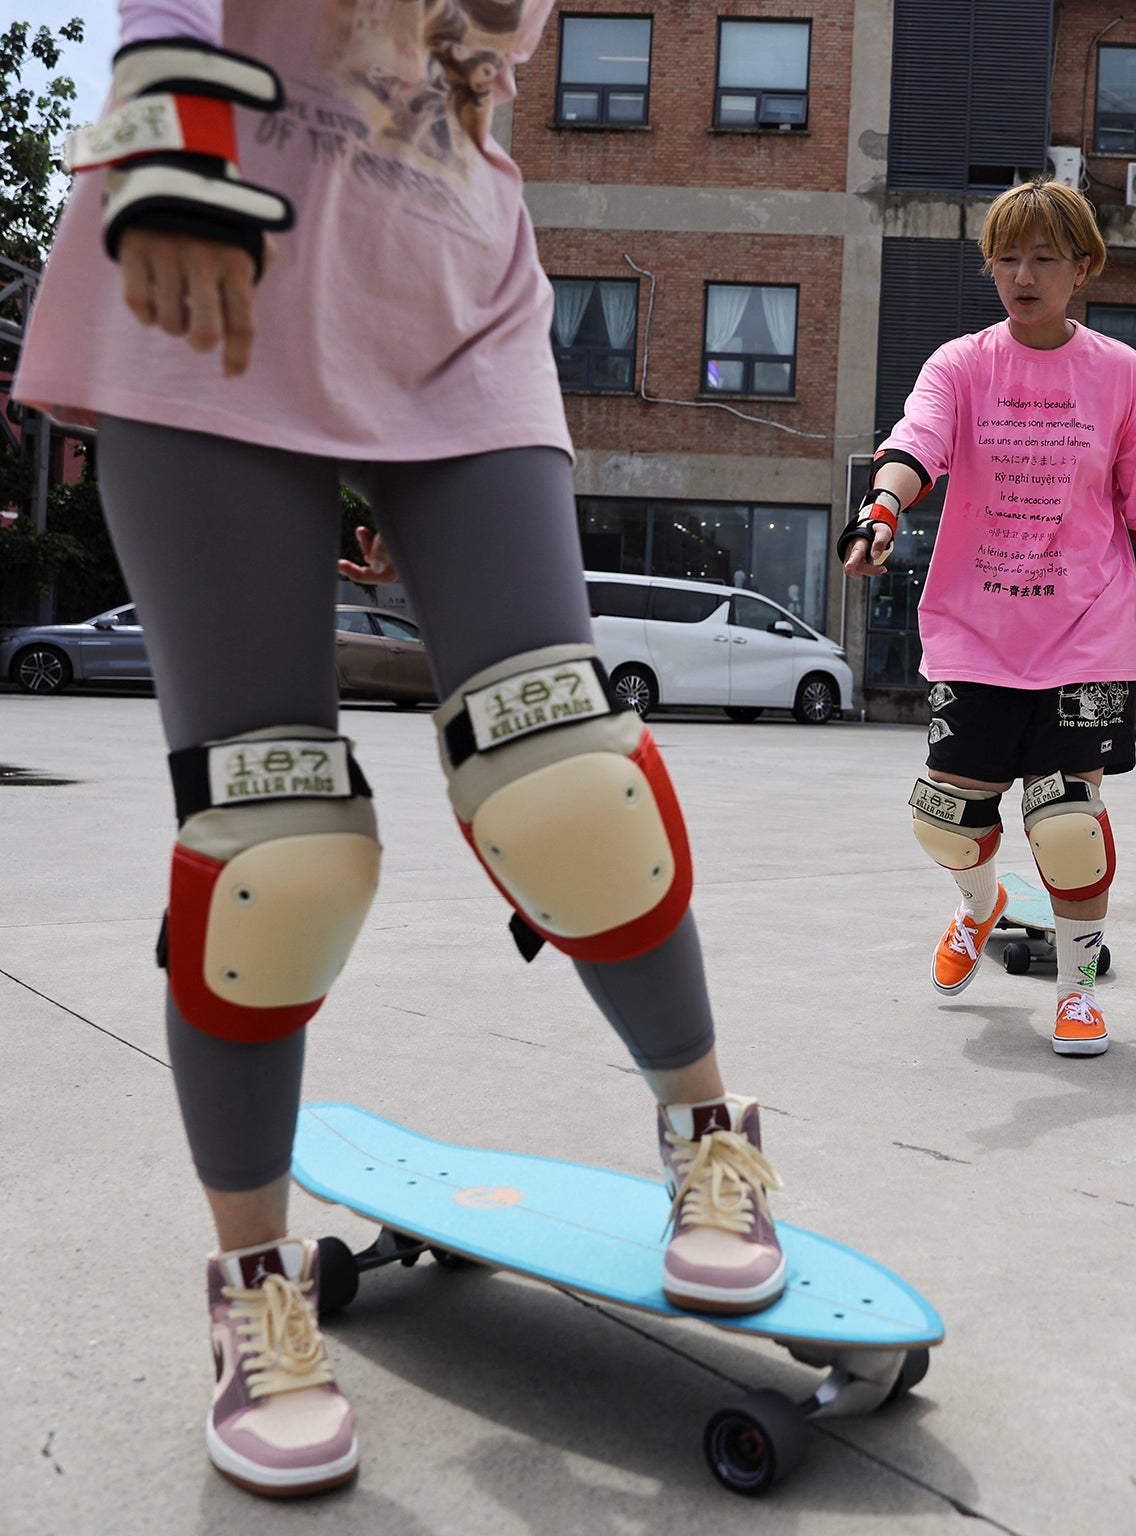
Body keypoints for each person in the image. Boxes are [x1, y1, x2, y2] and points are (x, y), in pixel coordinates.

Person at [13, 2, 788, 1497]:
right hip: (211, 233)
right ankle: (255, 1283)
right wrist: (167, 131)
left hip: (449, 284)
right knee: (272, 843)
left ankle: (711, 1129)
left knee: (564, 776)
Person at [840, 180, 1136, 1057]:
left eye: (1044, 257)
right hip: (976, 636)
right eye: (1007, 257)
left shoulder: (1122, 375)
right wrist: (882, 513)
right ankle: (982, 908)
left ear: (1082, 268)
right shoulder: (962, 365)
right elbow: (917, 442)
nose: (1023, 273)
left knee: (1067, 828)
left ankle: (1077, 990)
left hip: (1085, 640)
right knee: (945, 820)